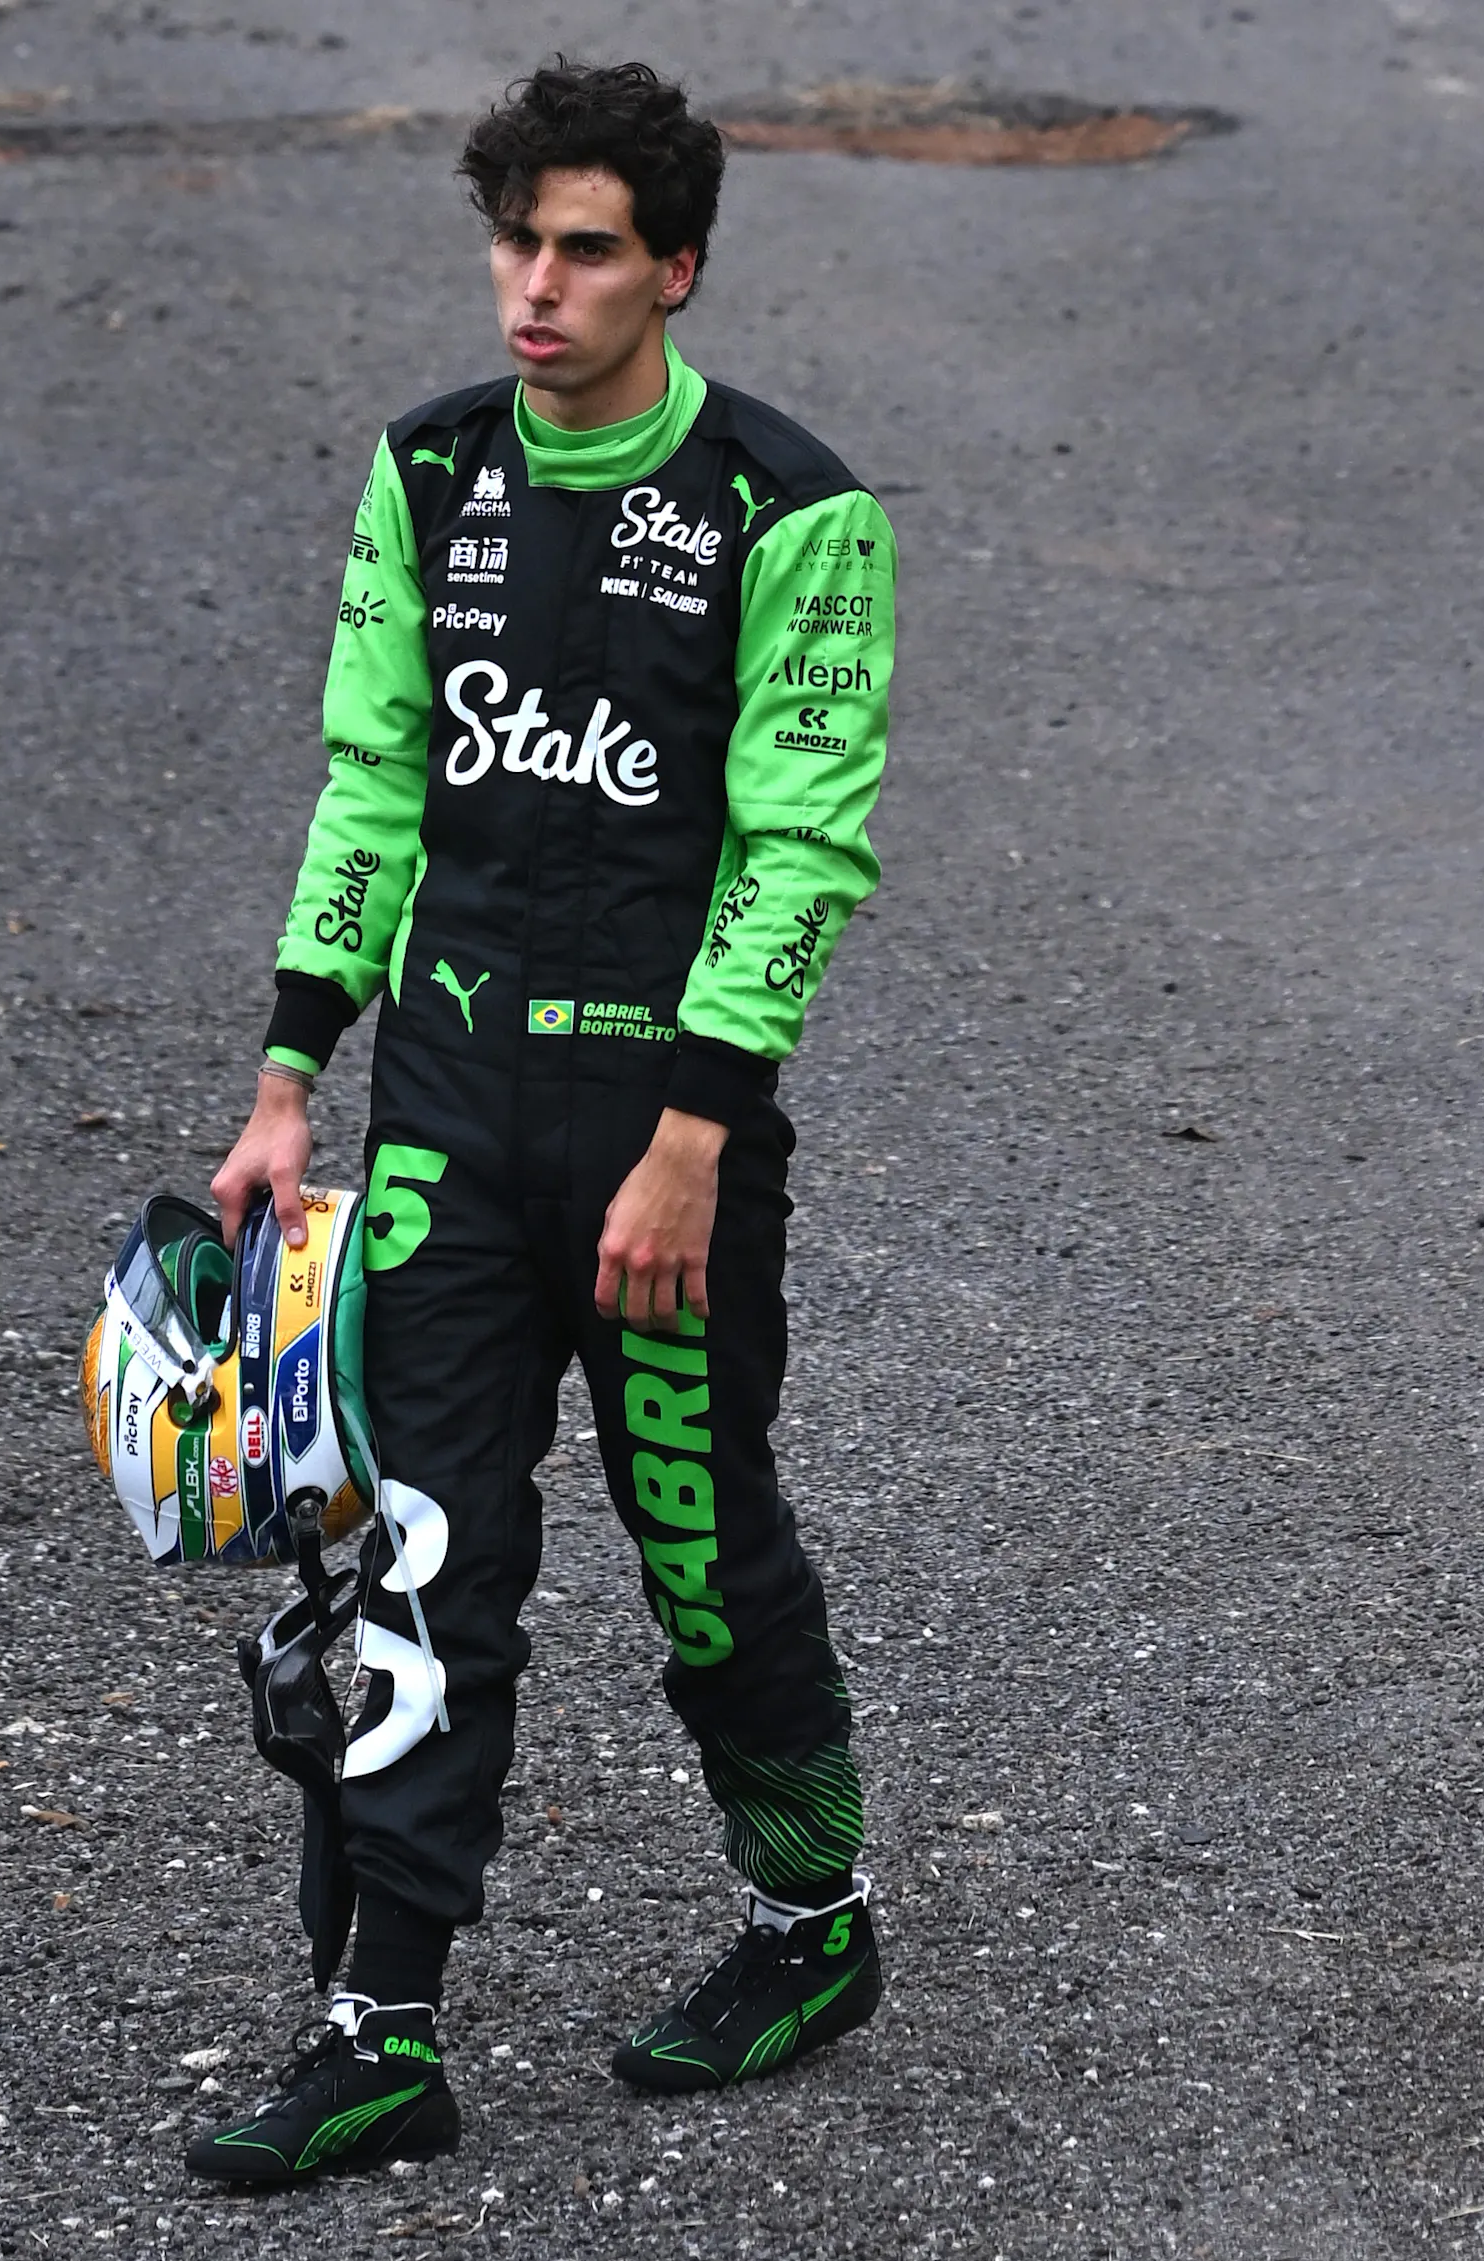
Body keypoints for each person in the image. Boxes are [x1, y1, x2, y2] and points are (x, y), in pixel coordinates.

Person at [184, 56, 900, 2187]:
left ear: (673, 265)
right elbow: (374, 778)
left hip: (661, 1127)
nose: (538, 286)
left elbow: (800, 848)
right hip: (451, 1108)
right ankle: (380, 2020)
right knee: (409, 1547)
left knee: (698, 1544)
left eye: (587, 249)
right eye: (516, 241)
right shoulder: (426, 475)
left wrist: (696, 1128)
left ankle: (807, 1918)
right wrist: (289, 1074)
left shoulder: (793, 510)